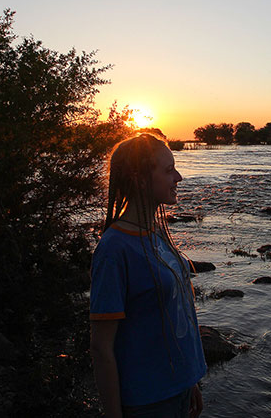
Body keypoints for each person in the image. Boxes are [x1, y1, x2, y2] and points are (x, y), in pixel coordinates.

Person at [89, 133, 206, 418]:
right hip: (148, 400)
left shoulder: (157, 232)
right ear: (140, 179)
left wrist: (190, 381)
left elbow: (177, 314)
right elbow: (102, 347)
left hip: (179, 386)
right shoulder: (114, 249)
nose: (178, 177)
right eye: (168, 170)